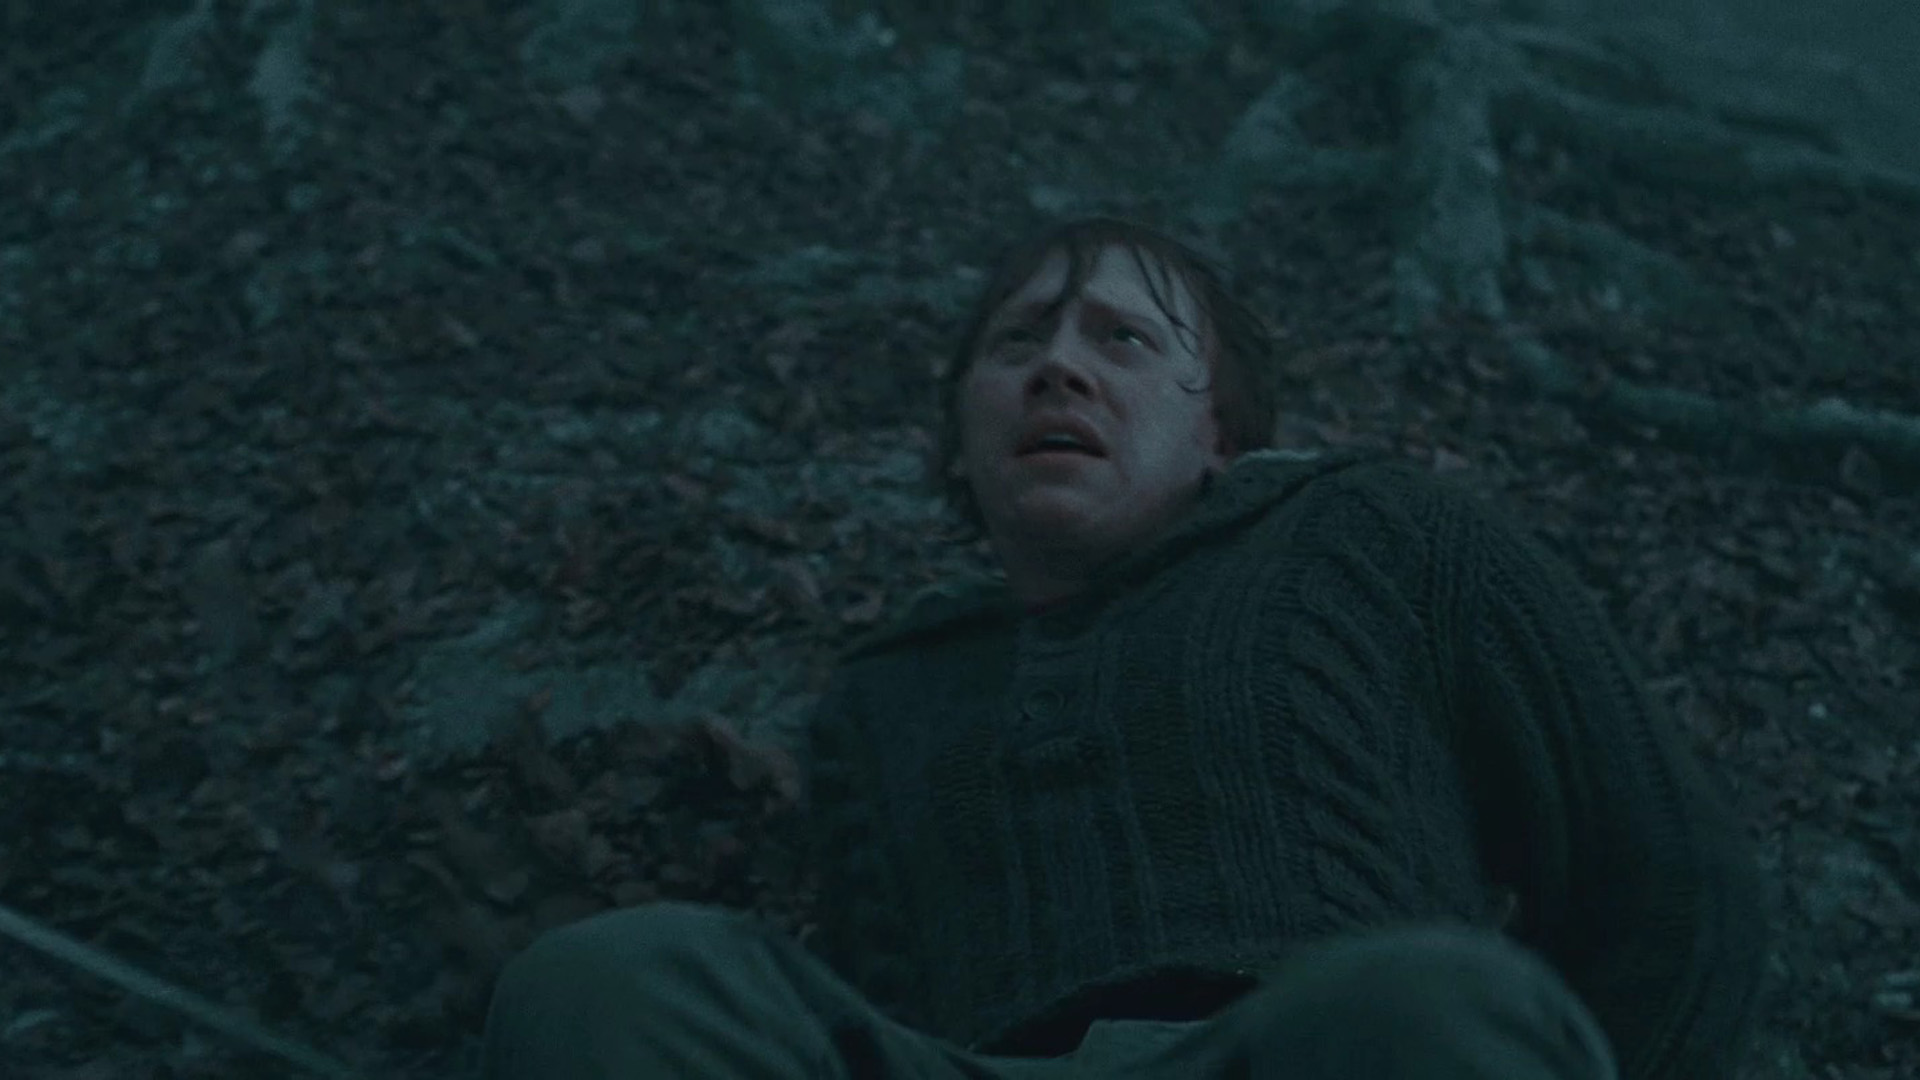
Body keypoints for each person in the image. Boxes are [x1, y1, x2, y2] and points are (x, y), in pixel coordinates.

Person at [479, 215, 1771, 1079]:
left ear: (1222, 430)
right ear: (962, 442)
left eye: (1122, 338)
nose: (1058, 369)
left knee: (1429, 1005)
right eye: (1016, 344)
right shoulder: (885, 693)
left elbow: (1673, 881)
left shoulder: (1374, 535)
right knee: (611, 982)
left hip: (1299, 1049)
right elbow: (876, 1008)